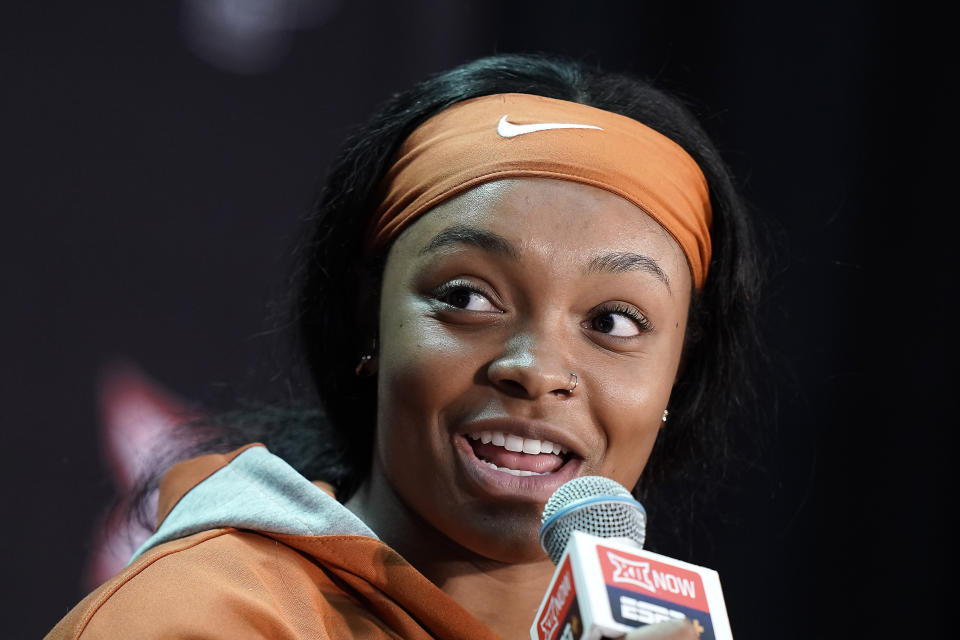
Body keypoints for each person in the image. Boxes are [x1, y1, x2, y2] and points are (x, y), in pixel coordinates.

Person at [47, 53, 759, 639]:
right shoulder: (199, 617)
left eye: (613, 322)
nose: (538, 370)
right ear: (369, 321)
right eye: (467, 298)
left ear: (679, 373)